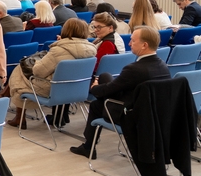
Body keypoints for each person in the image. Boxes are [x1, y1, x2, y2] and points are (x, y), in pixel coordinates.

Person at [70, 26, 171, 158]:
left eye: (133, 41)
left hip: (131, 115)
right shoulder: (163, 65)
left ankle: (88, 147)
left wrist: (94, 88)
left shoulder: (134, 69)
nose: (129, 44)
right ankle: (88, 146)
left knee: (96, 105)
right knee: (105, 77)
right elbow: (118, 86)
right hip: (153, 113)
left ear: (144, 45)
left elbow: (110, 89)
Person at [6, 19, 96, 129]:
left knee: (20, 70)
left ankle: (18, 116)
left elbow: (38, 72)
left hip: (53, 89)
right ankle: (8, 101)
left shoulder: (59, 50)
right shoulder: (92, 50)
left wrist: (36, 62)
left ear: (66, 30)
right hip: (78, 89)